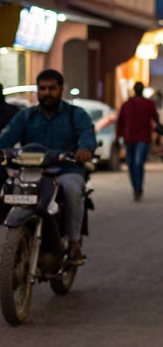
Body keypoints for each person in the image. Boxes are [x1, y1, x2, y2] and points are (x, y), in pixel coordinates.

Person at [0, 69, 96, 265]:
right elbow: (7, 137)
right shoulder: (26, 116)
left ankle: (74, 243)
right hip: (32, 171)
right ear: (37, 91)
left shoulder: (75, 114)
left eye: (52, 88)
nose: (47, 93)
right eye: (43, 89)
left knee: (72, 189)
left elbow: (87, 133)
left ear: (61, 89)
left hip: (67, 170)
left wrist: (84, 149)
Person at [116, 81, 159, 200]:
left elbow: (120, 122)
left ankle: (137, 188)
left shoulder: (127, 104)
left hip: (131, 137)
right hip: (141, 137)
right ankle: (137, 188)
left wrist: (119, 137)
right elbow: (156, 120)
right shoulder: (148, 104)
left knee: (133, 164)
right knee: (137, 163)